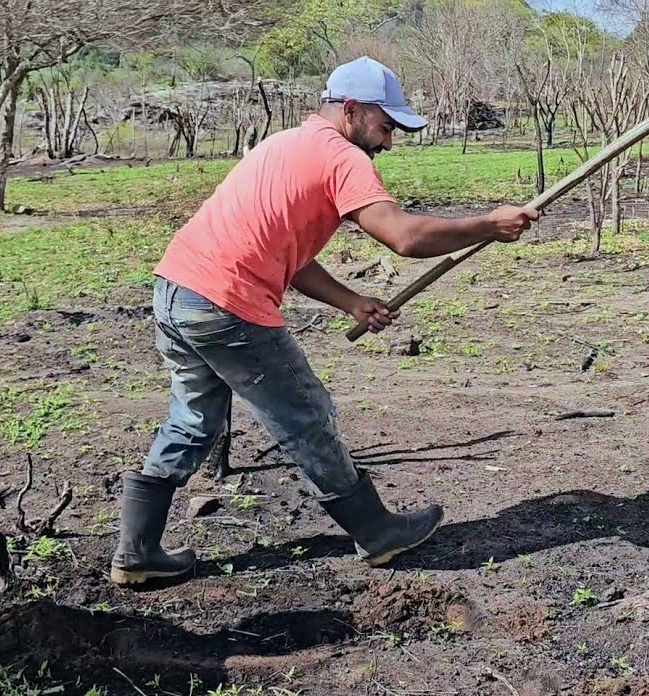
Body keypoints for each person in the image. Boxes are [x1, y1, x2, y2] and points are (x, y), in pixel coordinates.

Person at [110, 56, 539, 585]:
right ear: (353, 110)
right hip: (227, 303)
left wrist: (351, 301)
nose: (388, 143)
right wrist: (487, 225)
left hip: (178, 291)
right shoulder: (341, 156)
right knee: (306, 414)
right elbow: (404, 237)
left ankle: (138, 549)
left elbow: (287, 251)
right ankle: (377, 531)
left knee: (195, 418)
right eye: (386, 127)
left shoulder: (283, 145)